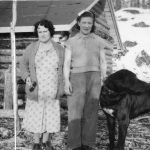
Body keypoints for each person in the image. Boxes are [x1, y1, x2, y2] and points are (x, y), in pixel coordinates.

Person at [63, 11, 110, 150]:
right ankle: (74, 144)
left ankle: (88, 143)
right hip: (76, 77)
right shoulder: (71, 41)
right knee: (75, 112)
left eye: (89, 22)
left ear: (92, 24)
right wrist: (66, 81)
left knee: (91, 111)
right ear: (78, 23)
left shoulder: (98, 40)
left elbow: (103, 60)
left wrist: (103, 78)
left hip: (94, 77)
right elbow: (66, 62)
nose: (87, 25)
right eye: (84, 22)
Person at [20, 19, 64, 150]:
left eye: (45, 31)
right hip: (36, 89)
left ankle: (46, 141)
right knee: (36, 116)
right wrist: (26, 77)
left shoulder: (59, 49)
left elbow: (65, 67)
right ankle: (36, 142)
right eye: (39, 32)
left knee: (49, 116)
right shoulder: (31, 48)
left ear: (50, 32)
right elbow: (23, 64)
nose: (43, 34)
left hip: (52, 88)